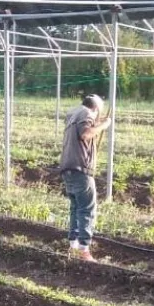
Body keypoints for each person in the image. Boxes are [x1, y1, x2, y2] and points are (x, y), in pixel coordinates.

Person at [58, 94, 111, 262]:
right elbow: (86, 134)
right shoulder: (87, 114)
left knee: (75, 208)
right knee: (87, 209)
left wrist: (97, 122)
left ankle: (72, 246)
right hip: (81, 169)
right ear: (95, 109)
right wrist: (103, 125)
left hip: (68, 167)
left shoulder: (74, 113)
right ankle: (84, 250)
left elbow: (83, 130)